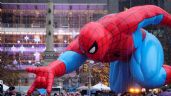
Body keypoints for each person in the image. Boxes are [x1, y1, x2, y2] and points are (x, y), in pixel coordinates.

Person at [26, 5, 171, 96]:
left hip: (145, 44)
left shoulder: (121, 23)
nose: (90, 57)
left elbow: (152, 12)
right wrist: (51, 69)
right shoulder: (83, 44)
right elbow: (67, 60)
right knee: (118, 87)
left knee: (145, 77)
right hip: (121, 56)